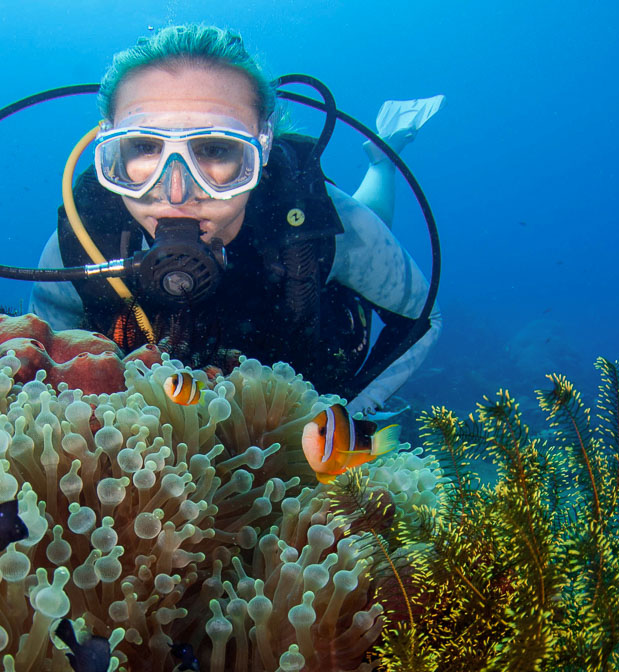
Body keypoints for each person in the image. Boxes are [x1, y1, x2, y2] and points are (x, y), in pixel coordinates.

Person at [29, 24, 442, 415]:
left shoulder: (315, 220)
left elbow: (425, 317)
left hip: (317, 359)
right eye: (144, 148)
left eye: (215, 150)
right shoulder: (84, 239)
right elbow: (48, 350)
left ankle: (383, 157)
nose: (176, 194)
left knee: (371, 211)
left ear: (262, 150)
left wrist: (342, 424)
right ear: (112, 151)